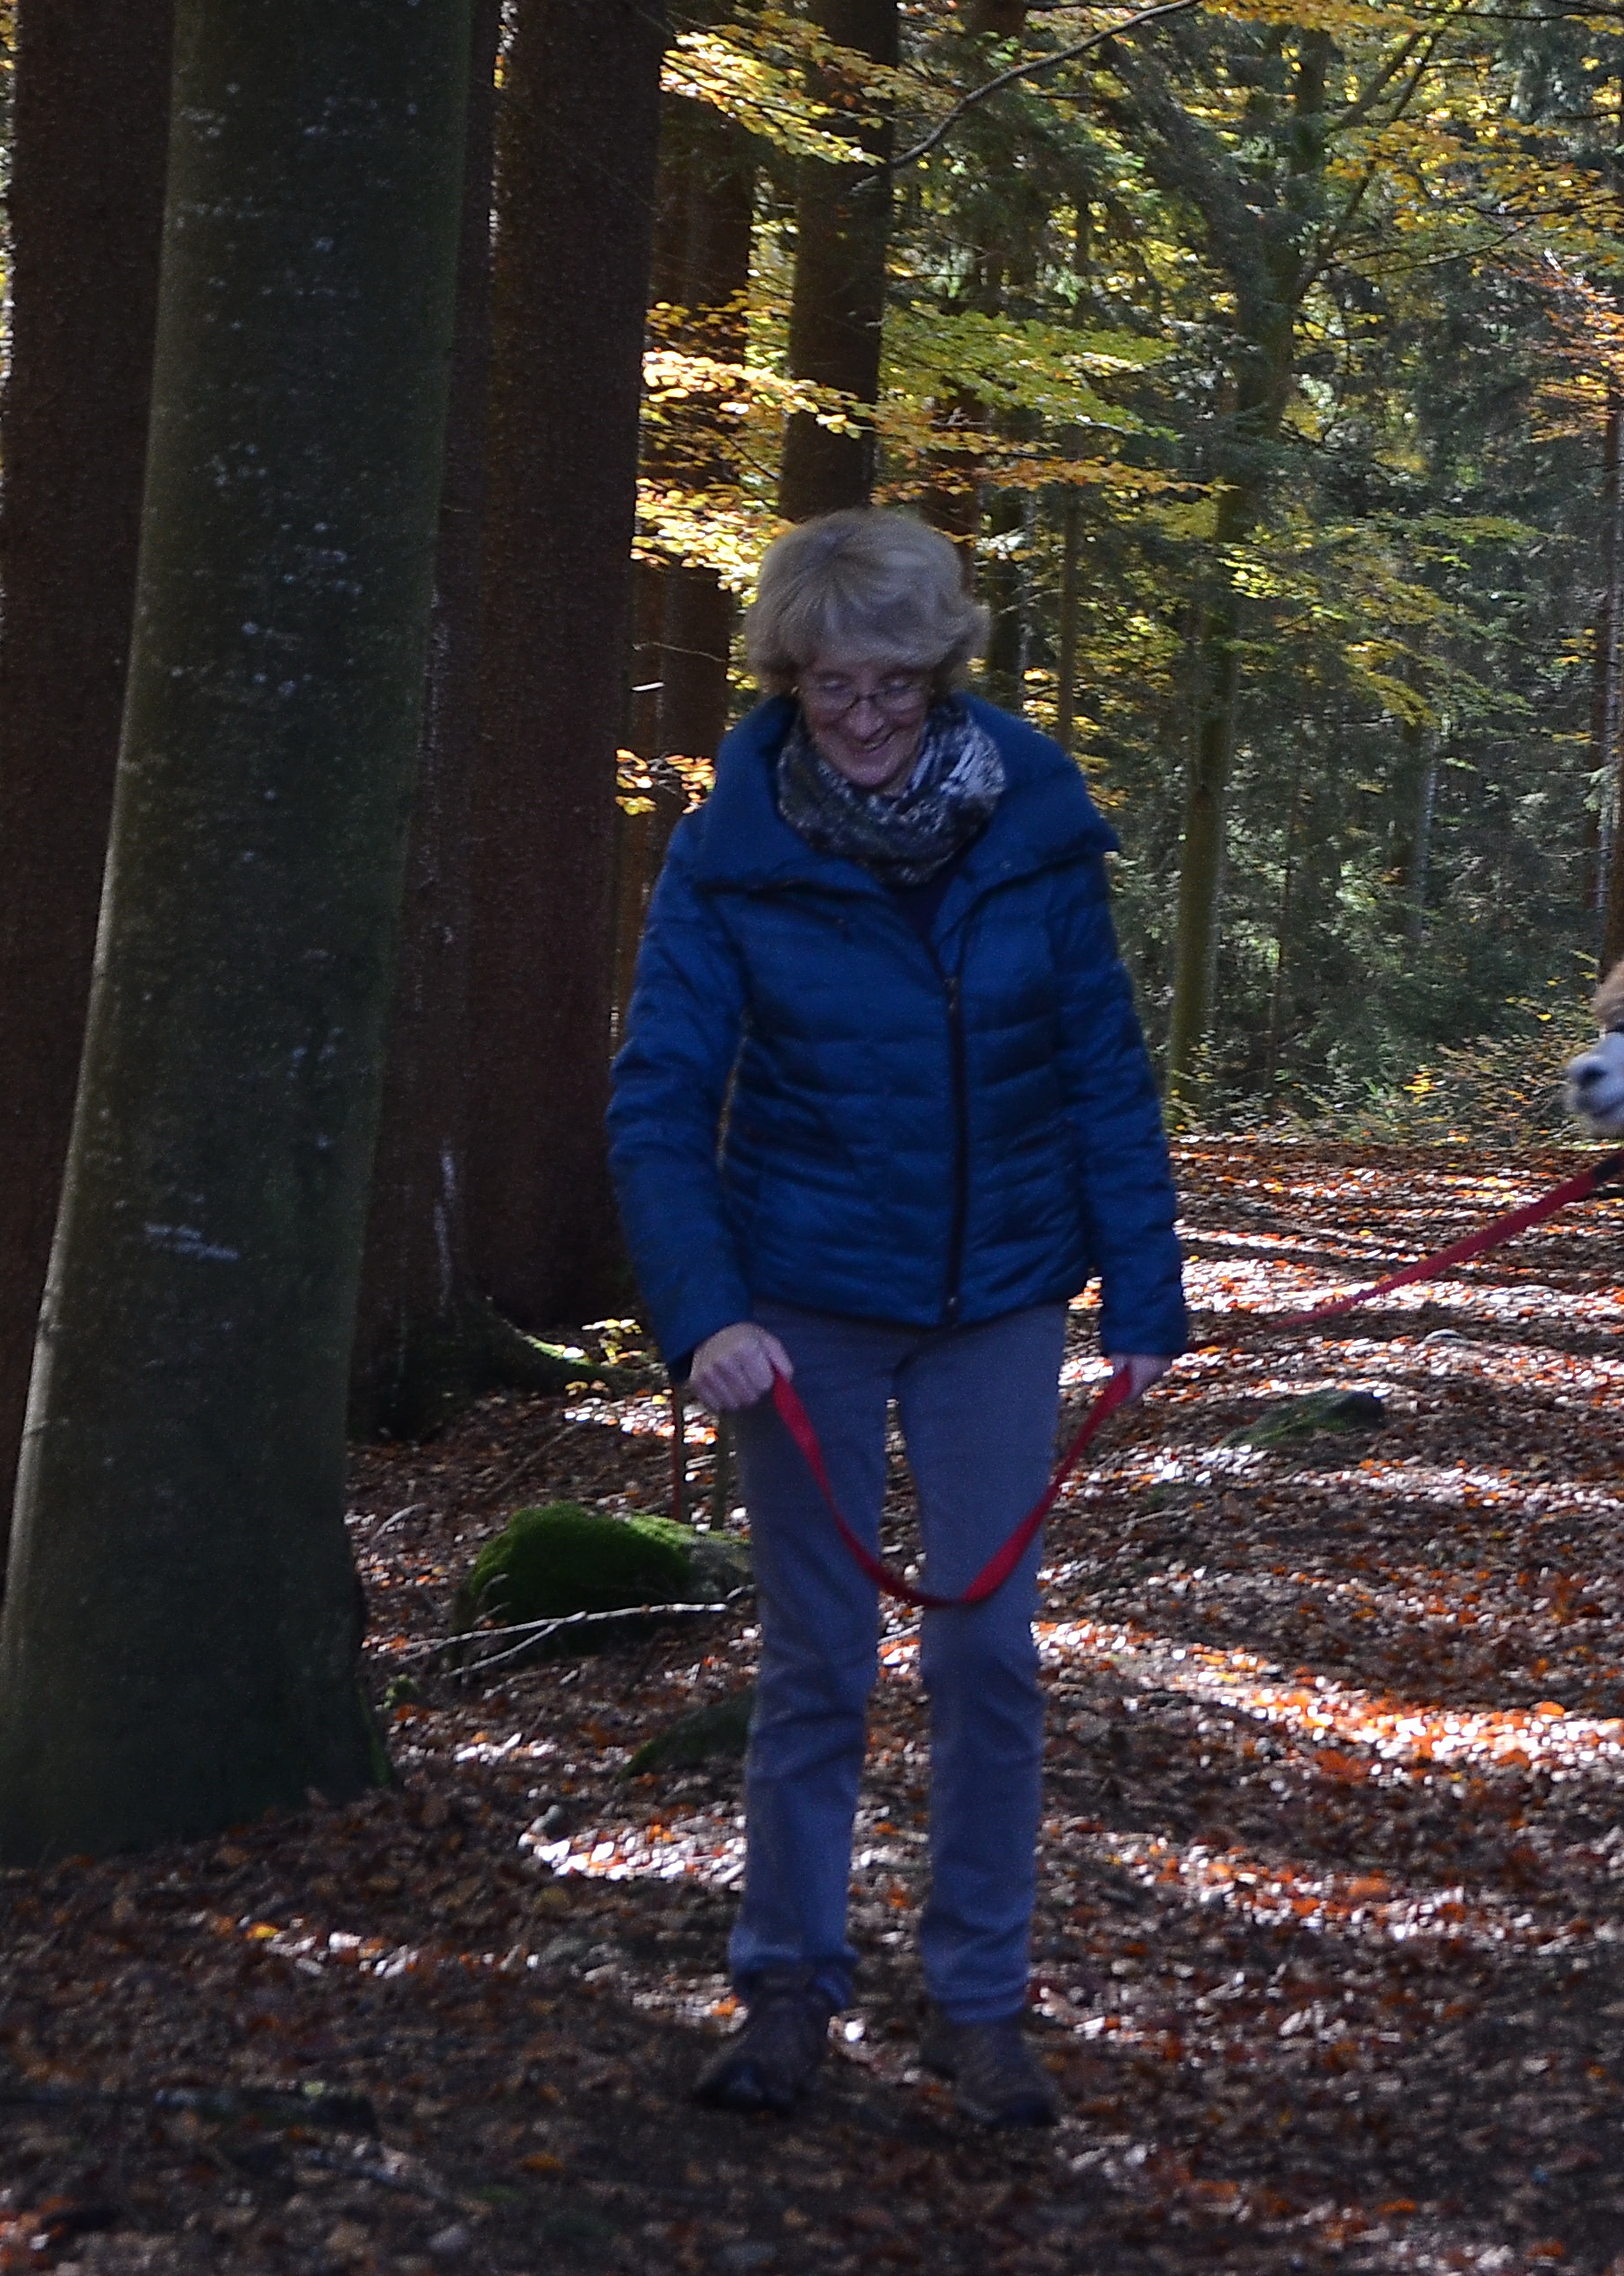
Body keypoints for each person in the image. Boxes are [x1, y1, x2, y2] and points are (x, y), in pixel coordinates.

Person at [610, 508, 1188, 2130]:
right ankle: (787, 1986)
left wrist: (1146, 1297)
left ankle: (980, 2005)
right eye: (828, 687)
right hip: (797, 1311)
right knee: (820, 1666)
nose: (862, 719)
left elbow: (1103, 1075)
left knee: (988, 1652)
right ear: (788, 679)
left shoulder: (1038, 830)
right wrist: (702, 1315)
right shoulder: (732, 853)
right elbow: (658, 1100)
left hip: (999, 1294)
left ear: (945, 670)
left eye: (893, 686)